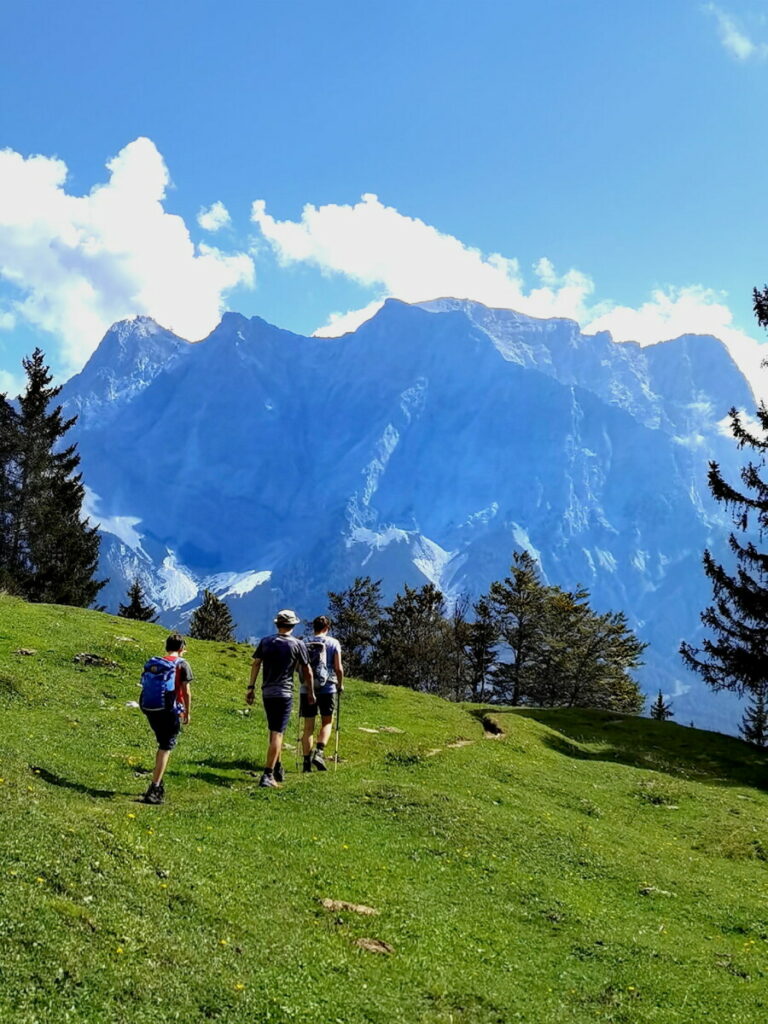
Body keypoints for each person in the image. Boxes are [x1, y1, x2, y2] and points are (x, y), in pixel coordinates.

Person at [246, 609, 314, 788]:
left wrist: (250, 687)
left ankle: (277, 767)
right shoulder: (297, 645)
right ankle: (267, 775)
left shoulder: (266, 641)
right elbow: (307, 670)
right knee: (278, 732)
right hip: (284, 693)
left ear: (277, 624)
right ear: (293, 625)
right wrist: (311, 691)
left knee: (273, 729)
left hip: (267, 691)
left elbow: (256, 663)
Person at [140, 633, 192, 805]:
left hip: (150, 708)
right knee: (166, 746)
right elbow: (186, 692)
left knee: (162, 743)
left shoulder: (156, 663)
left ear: (166, 646)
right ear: (182, 648)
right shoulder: (182, 664)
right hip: (168, 709)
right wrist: (188, 712)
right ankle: (154, 788)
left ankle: (158, 781)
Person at [301, 615, 344, 772]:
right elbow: (338, 667)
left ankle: (306, 763)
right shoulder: (334, 643)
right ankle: (319, 752)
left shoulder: (304, 642)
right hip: (328, 687)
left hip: (307, 688)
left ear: (314, 627)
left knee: (308, 728)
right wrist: (340, 684)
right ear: (327, 628)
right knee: (327, 722)